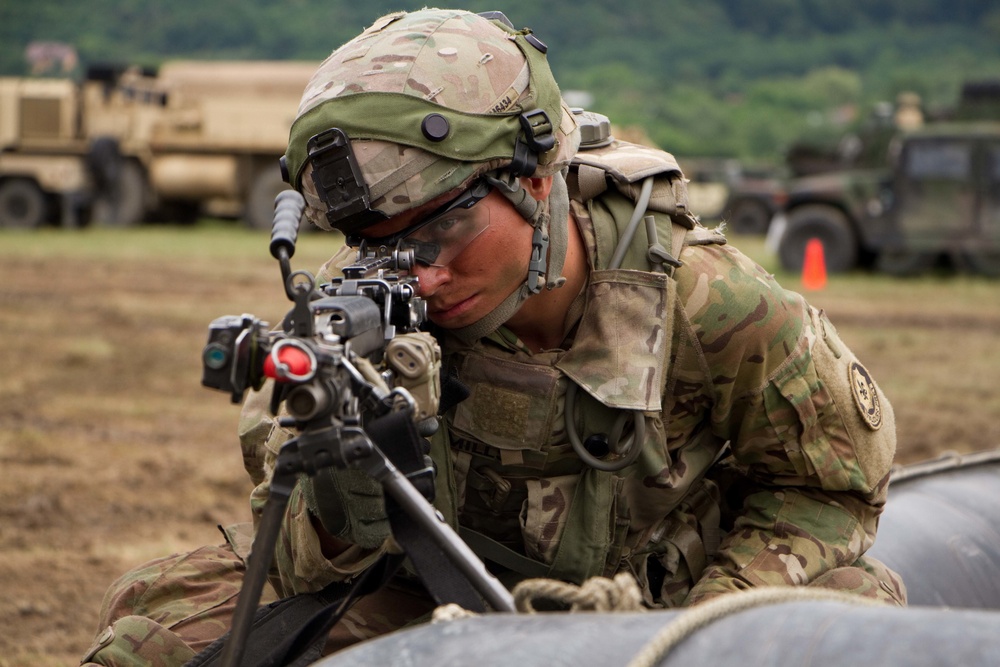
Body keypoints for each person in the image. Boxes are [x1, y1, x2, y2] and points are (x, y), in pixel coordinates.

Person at [82, 8, 905, 665]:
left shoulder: (704, 301)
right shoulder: (354, 320)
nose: (420, 276)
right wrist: (357, 460)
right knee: (158, 628)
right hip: (433, 592)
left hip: (654, 599)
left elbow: (827, 487)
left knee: (848, 616)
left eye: (438, 235)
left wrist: (694, 629)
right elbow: (305, 567)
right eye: (380, 244)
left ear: (535, 182)